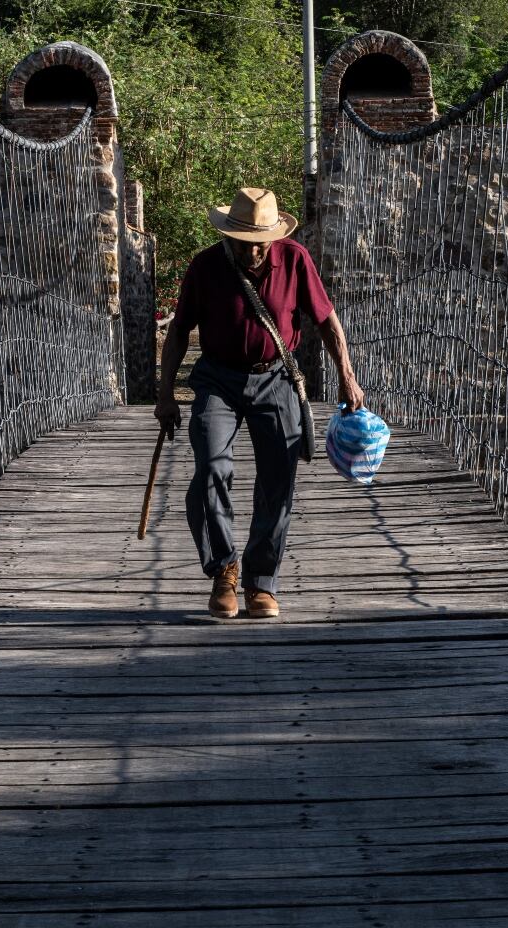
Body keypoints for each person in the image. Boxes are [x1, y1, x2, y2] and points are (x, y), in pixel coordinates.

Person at [155, 186, 365, 620]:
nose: (253, 252)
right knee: (212, 467)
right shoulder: (206, 266)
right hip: (218, 379)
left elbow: (326, 320)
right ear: (229, 235)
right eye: (244, 243)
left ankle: (260, 583)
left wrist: (346, 375)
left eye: (260, 244)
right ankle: (224, 569)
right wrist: (164, 393)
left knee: (278, 481)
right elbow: (178, 332)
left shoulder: (294, 259)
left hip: (276, 379)